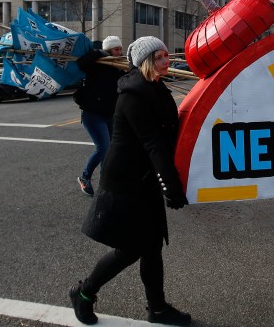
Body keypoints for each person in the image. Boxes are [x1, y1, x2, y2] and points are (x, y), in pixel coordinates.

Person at [69, 36, 191, 326]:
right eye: (159, 57)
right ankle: (84, 293)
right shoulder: (134, 94)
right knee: (131, 249)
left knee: (151, 246)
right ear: (146, 62)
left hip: (144, 179)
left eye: (166, 55)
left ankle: (157, 308)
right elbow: (152, 143)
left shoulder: (155, 86)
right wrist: (171, 185)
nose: (166, 61)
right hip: (126, 183)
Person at [75, 36, 125, 196]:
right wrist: (99, 53)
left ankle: (106, 183)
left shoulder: (119, 67)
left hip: (110, 115)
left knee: (110, 150)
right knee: (103, 147)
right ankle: (85, 177)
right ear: (108, 50)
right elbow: (80, 63)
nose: (119, 52)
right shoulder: (96, 65)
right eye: (116, 49)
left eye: (120, 49)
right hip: (93, 114)